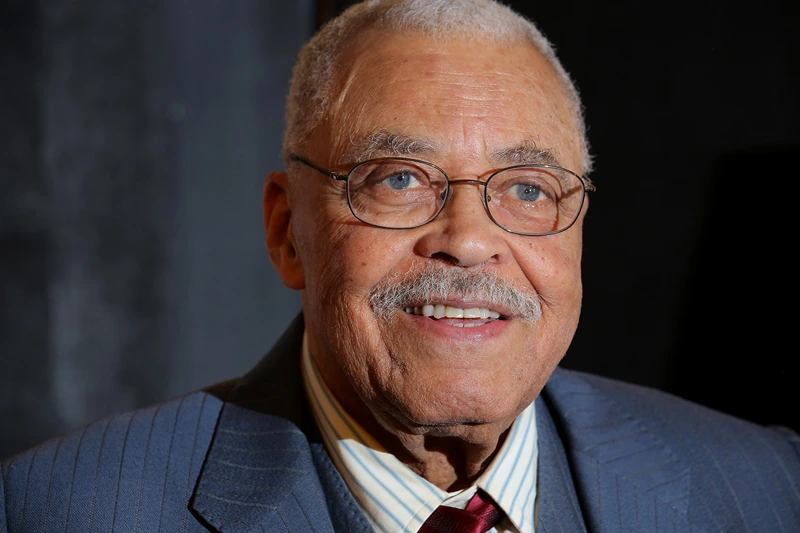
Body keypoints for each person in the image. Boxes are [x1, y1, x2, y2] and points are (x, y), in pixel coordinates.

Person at [2, 0, 798, 531]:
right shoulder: (61, 509)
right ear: (288, 232)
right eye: (399, 180)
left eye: (527, 187)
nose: (470, 238)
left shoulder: (764, 486)